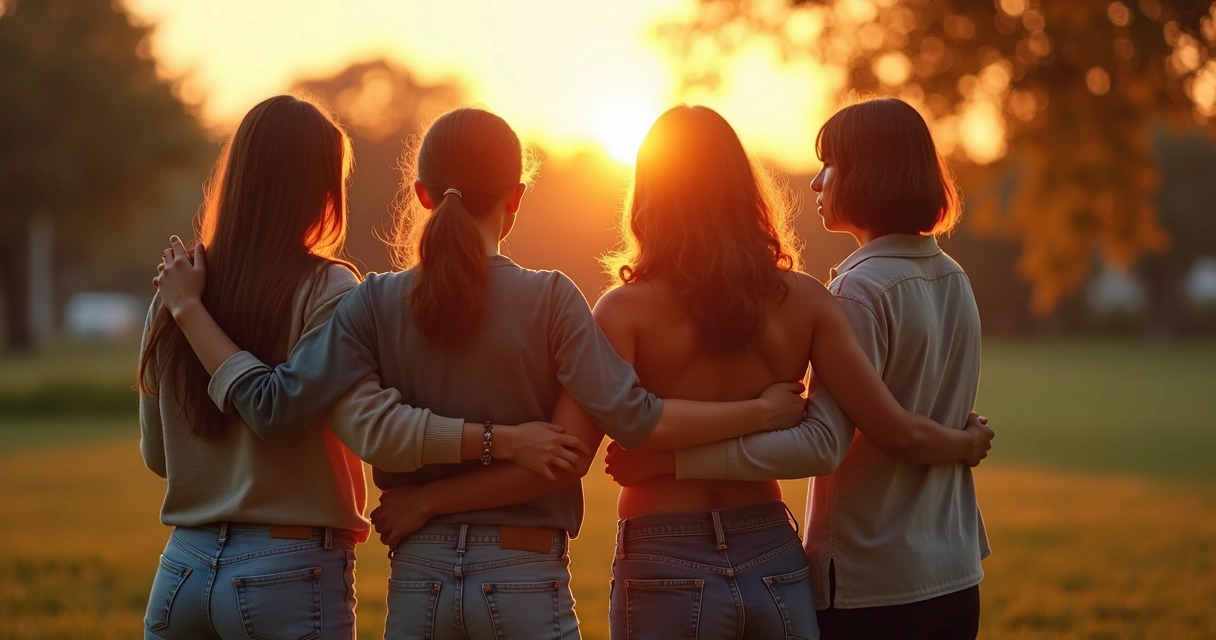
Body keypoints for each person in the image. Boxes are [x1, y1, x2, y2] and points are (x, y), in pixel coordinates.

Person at [154, 106, 808, 640]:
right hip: (525, 568)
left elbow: (291, 413)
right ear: (517, 198)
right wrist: (760, 412)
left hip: (417, 577)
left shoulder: (371, 300)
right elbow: (629, 419)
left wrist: (187, 308)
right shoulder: (553, 297)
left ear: (420, 194)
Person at [609, 98, 991, 640]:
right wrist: (961, 442)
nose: (816, 182)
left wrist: (672, 461)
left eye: (829, 165)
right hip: (948, 564)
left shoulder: (855, 290)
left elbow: (822, 443)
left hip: (872, 575)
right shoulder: (953, 278)